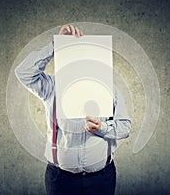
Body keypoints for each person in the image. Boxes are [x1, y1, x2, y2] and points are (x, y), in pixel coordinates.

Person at [15, 25, 131, 195]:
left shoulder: (109, 88)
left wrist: (102, 128)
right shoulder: (53, 86)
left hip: (101, 179)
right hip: (60, 180)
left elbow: (125, 127)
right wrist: (56, 45)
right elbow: (24, 73)